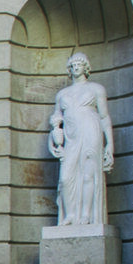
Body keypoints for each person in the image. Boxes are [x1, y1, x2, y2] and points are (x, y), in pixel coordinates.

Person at [49, 52, 114, 226]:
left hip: (90, 131)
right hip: (71, 137)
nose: (76, 67)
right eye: (73, 65)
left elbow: (104, 117)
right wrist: (55, 134)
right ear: (69, 69)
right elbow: (56, 117)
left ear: (86, 67)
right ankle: (70, 215)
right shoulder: (62, 94)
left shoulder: (96, 89)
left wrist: (110, 145)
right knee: (65, 178)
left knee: (88, 174)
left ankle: (86, 215)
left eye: (80, 64)